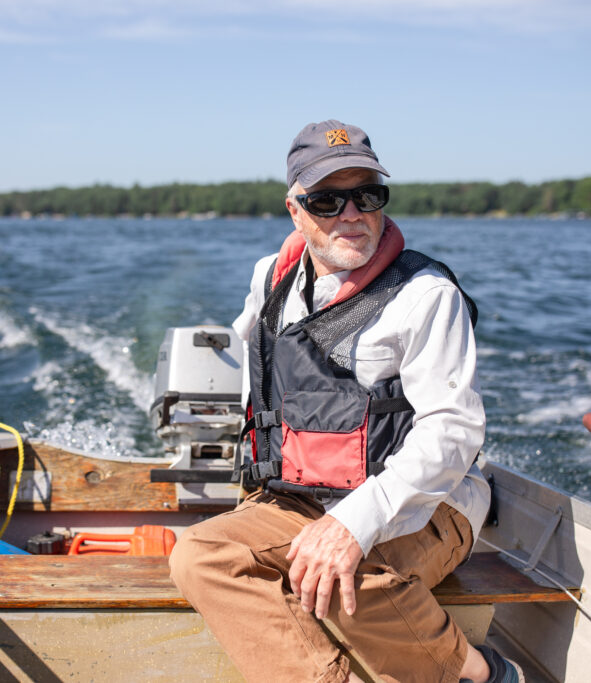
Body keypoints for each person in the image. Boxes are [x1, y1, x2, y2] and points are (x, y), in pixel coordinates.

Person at [169, 120, 522, 683]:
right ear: (295, 209)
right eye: (328, 200)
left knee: (338, 581)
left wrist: (355, 524)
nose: (352, 214)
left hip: (430, 507)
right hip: (301, 496)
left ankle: (481, 674)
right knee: (199, 556)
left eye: (368, 195)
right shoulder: (271, 279)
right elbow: (258, 376)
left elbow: (452, 433)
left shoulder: (427, 296)